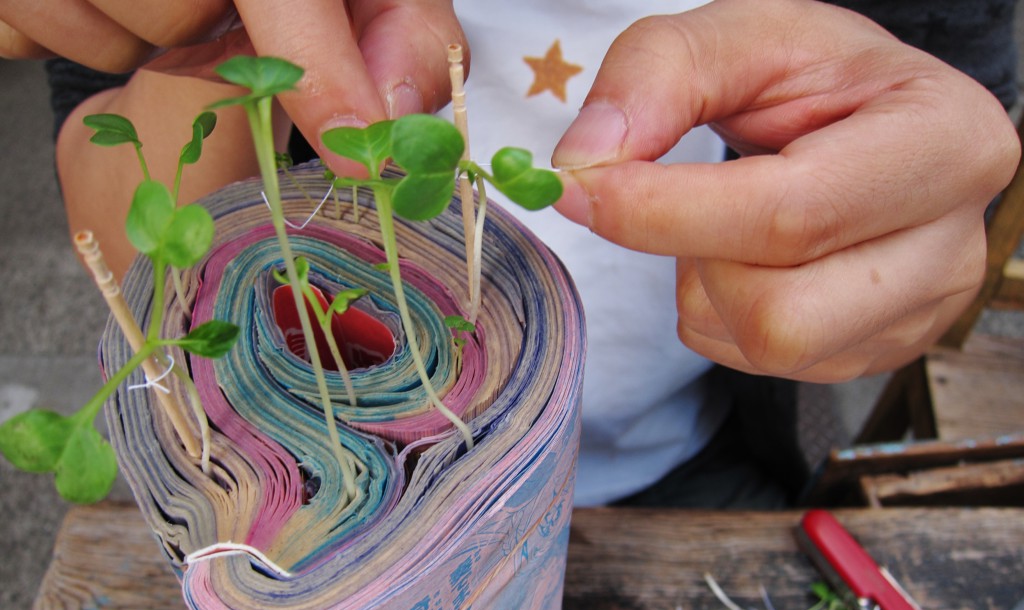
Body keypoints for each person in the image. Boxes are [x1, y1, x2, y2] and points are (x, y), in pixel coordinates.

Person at [2, 0, 1019, 507]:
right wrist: (206, 55)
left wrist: (902, 253)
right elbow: (127, 228)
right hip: (326, 487)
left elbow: (933, 209)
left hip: (665, 467)